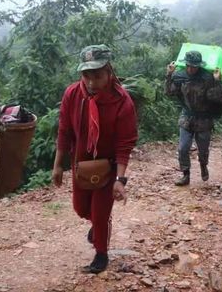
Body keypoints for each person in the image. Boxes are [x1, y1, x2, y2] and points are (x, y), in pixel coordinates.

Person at [52, 45, 138, 274]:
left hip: (107, 166)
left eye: (97, 76)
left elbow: (125, 143)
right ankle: (97, 226)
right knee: (80, 208)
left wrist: (120, 179)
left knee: (100, 213)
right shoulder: (72, 94)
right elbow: (64, 131)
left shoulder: (122, 102)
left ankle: (101, 254)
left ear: (109, 72)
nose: (91, 82)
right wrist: (57, 165)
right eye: (86, 75)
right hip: (81, 163)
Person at [165, 51, 222, 186]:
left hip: (204, 119)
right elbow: (169, 92)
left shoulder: (207, 78)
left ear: (199, 66)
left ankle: (203, 166)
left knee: (203, 149)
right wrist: (169, 75)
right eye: (188, 65)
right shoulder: (180, 76)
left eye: (194, 66)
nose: (191, 69)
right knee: (183, 148)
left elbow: (217, 98)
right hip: (187, 116)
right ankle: (185, 174)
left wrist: (217, 81)